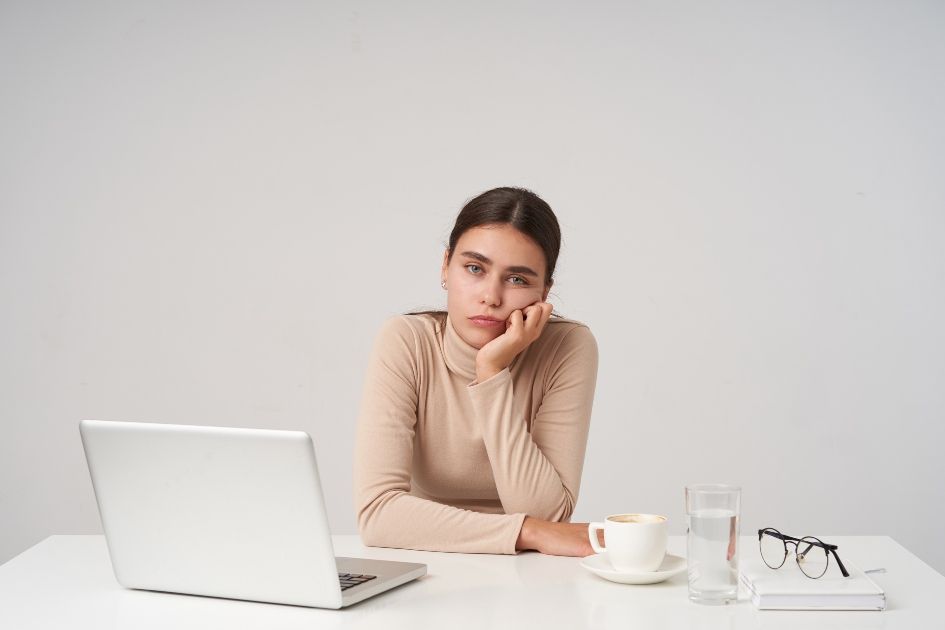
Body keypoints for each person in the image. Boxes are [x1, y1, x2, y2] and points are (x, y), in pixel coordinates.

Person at [353, 186, 599, 556]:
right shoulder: (406, 341)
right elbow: (378, 514)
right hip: (425, 559)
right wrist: (528, 533)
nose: (491, 296)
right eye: (474, 269)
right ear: (445, 267)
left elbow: (547, 513)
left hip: (528, 574)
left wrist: (491, 372)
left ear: (544, 292)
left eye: (517, 279)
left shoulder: (567, 347)